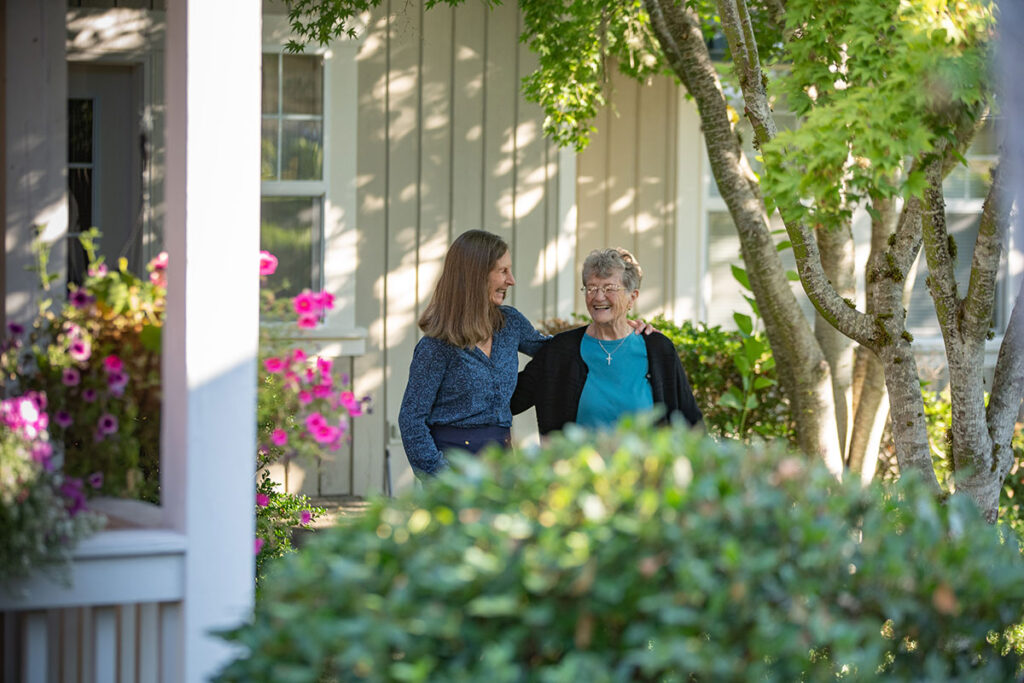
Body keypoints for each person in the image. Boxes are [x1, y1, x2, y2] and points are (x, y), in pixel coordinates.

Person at [399, 231, 651, 476]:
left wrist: (618, 330)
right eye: (503, 271)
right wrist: (439, 475)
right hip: (453, 464)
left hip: (502, 461)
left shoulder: (510, 323)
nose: (512, 280)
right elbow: (411, 421)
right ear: (477, 275)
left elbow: (557, 351)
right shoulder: (437, 346)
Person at [511, 247, 703, 435]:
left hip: (647, 466)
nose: (598, 296)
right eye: (591, 288)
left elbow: (690, 423)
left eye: (610, 288)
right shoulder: (561, 350)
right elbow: (510, 400)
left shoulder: (658, 348)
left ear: (632, 297)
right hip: (580, 466)